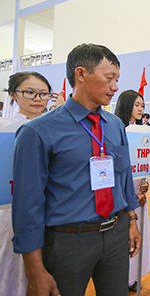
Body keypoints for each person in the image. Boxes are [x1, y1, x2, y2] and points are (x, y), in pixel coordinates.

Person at [12, 43, 141, 296]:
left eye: (117, 79)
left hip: (115, 235)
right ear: (81, 74)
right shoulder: (37, 132)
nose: (115, 87)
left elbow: (123, 177)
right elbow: (28, 204)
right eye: (109, 78)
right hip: (68, 242)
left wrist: (132, 219)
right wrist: (34, 270)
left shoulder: (114, 125)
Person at [0, 72, 53, 296]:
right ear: (13, 94)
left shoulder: (55, 128)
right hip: (8, 210)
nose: (37, 98)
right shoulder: (4, 128)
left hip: (50, 209)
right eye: (29, 92)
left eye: (43, 94)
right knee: (11, 267)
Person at [114, 90, 150, 292]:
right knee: (123, 237)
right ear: (126, 104)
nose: (140, 109)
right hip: (122, 196)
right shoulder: (117, 130)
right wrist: (130, 194)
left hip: (139, 194)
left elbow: (143, 165)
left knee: (138, 238)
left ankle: (131, 276)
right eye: (137, 104)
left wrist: (144, 186)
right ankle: (120, 277)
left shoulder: (141, 133)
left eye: (142, 105)